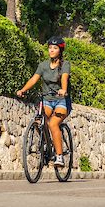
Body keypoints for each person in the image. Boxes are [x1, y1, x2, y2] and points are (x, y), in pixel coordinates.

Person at [17, 36, 71, 166]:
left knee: (53, 124)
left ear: (60, 50)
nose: (51, 50)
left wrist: (63, 89)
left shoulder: (65, 64)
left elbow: (64, 77)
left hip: (61, 101)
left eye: (55, 48)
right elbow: (34, 79)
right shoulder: (43, 65)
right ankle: (47, 144)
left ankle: (59, 156)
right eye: (50, 48)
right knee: (38, 121)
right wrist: (23, 90)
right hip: (46, 99)